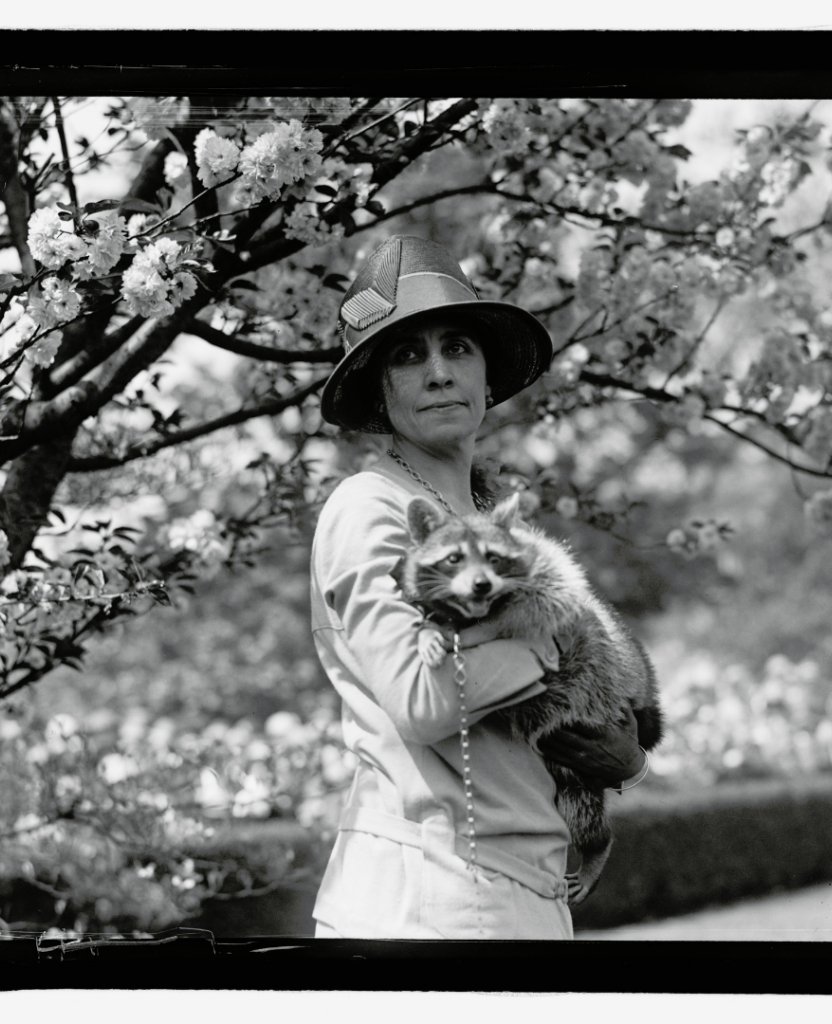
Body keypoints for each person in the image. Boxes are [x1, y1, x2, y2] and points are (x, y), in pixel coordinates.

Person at [309, 235, 651, 940]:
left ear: (486, 374)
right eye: (408, 356)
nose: (439, 372)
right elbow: (421, 699)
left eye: (457, 348)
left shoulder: (488, 521)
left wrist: (626, 757)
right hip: (430, 898)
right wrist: (553, 647)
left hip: (520, 893)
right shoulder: (370, 506)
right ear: (379, 389)